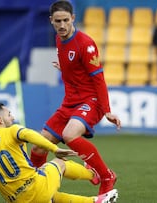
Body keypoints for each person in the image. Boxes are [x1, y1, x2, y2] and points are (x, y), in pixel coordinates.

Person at [30, 0, 121, 195]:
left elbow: (99, 80)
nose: (62, 25)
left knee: (69, 135)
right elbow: (74, 68)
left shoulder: (86, 44)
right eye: (57, 21)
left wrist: (106, 111)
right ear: (51, 21)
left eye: (65, 20)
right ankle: (34, 185)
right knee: (39, 146)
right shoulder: (58, 39)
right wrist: (66, 69)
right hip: (69, 102)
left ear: (73, 18)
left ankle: (106, 176)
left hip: (91, 100)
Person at [0, 103, 119, 203]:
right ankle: (94, 174)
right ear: (0, 120)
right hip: (35, 187)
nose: (12, 117)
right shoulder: (12, 131)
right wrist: (55, 149)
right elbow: (31, 135)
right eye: (9, 114)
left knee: (51, 196)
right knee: (60, 164)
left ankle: (94, 201)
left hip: (17, 200)